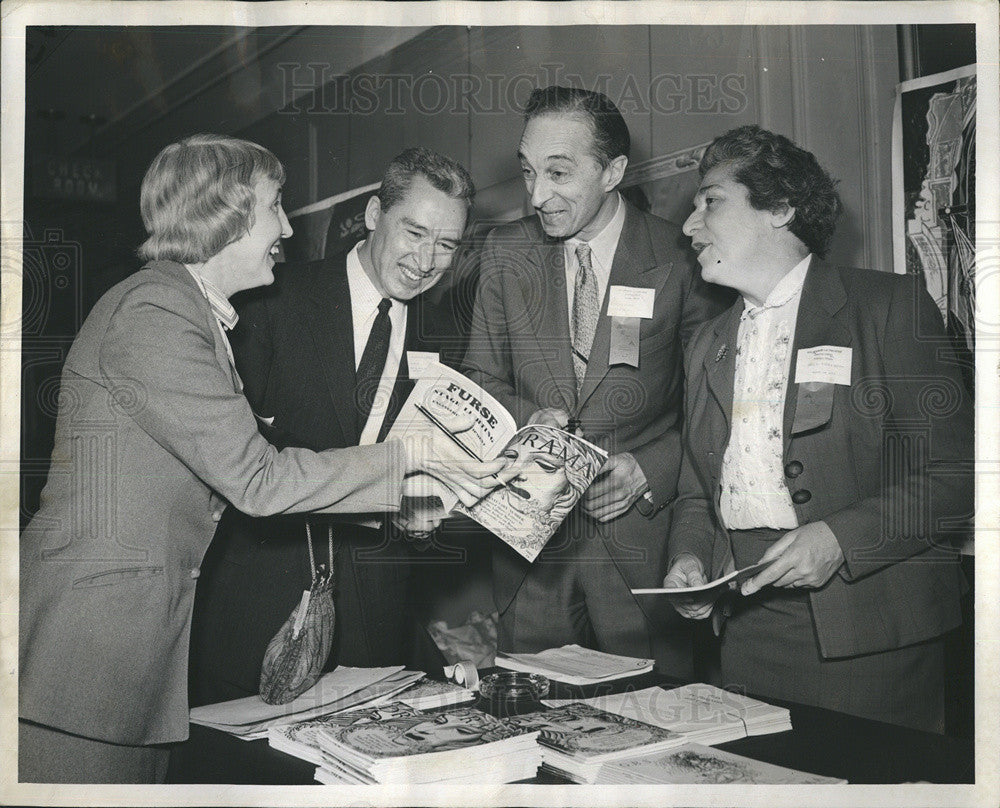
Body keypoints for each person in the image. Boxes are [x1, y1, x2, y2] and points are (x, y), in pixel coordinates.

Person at [17, 134, 505, 784]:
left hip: (140, 654)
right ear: (225, 215)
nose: (287, 225)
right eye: (275, 207)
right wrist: (411, 462)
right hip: (92, 658)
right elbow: (257, 478)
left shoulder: (191, 315)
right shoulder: (157, 311)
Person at [663, 125, 973, 732]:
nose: (689, 226)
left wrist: (840, 537)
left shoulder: (888, 308)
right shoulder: (707, 344)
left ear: (780, 207)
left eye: (710, 201)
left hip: (871, 632)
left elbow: (956, 475)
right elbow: (699, 491)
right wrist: (689, 559)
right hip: (746, 632)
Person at [188, 147, 484, 705]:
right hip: (261, 601)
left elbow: (424, 471)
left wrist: (422, 514)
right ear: (374, 214)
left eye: (446, 245)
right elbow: (234, 464)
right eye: (414, 233)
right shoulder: (273, 297)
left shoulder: (444, 335)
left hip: (376, 613)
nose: (425, 260)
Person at [463, 85, 729, 674]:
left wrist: (651, 468)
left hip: (639, 549)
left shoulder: (684, 257)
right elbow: (479, 379)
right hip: (529, 554)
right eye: (528, 172)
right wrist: (524, 419)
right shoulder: (504, 253)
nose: (537, 195)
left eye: (559, 173)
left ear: (613, 171)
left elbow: (715, 409)